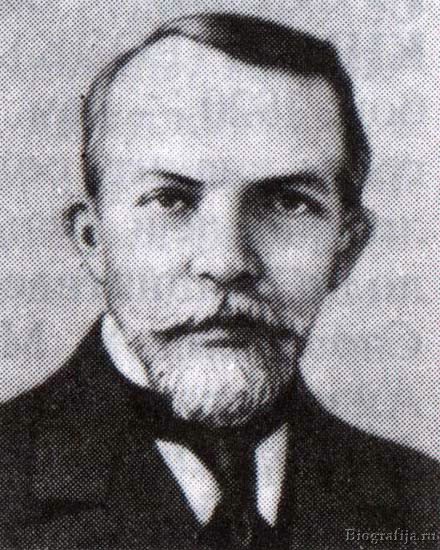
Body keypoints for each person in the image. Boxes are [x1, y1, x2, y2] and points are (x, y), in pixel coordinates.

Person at [0, 12, 437, 550]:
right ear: (93, 240)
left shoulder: (424, 504)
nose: (227, 261)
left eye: (287, 202)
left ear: (345, 249)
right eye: (170, 199)